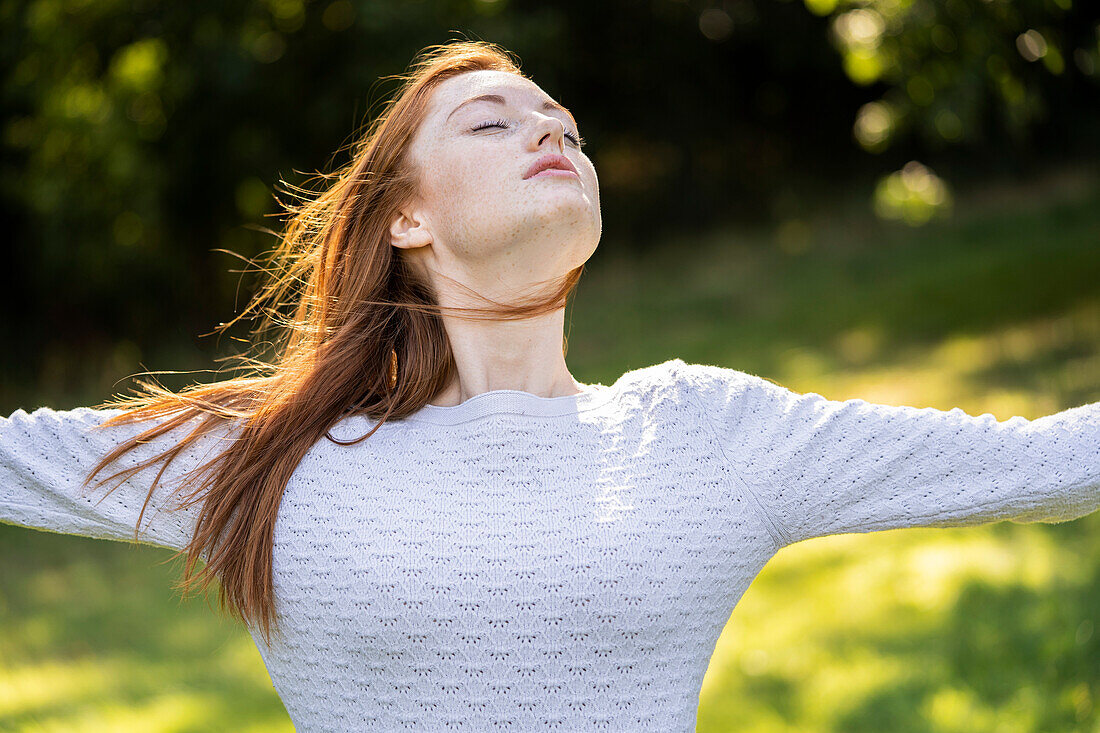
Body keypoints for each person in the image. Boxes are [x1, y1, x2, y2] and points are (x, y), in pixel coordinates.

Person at [2, 39, 1098, 732]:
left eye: (562, 126)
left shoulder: (700, 429)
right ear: (406, 217)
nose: (547, 129)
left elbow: (1052, 462)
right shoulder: (273, 452)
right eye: (494, 121)